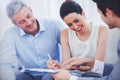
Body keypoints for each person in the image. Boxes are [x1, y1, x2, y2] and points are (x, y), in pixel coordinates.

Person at [49, 0, 120, 80]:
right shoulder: (64, 33)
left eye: (76, 21)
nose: (75, 27)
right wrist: (60, 67)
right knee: (48, 77)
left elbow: (98, 67)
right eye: (69, 25)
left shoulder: (102, 30)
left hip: (92, 73)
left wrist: (73, 72)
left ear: (83, 13)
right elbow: (67, 65)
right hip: (74, 72)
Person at [0, 0, 64, 80]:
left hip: (51, 73)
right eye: (22, 21)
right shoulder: (10, 34)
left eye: (28, 16)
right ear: (15, 24)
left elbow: (69, 48)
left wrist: (62, 67)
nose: (29, 22)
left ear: (31, 10)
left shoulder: (54, 26)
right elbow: (4, 64)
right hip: (28, 75)